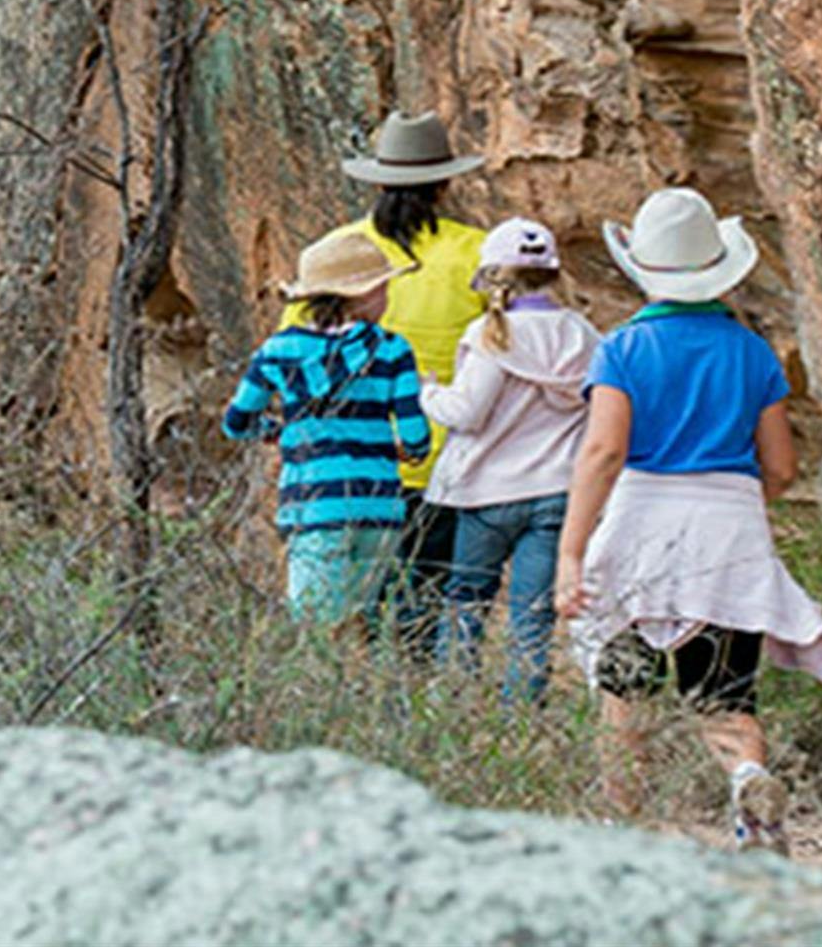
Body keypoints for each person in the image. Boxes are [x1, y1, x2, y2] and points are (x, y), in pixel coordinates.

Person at [554, 188, 822, 853]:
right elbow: (783, 467)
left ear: (641, 268)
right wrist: (739, 508)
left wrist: (571, 554)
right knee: (727, 695)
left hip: (642, 520)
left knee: (625, 689)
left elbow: (603, 451)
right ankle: (748, 782)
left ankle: (621, 827)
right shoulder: (751, 352)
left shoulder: (623, 350)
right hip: (731, 522)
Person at [293, 111, 486, 656]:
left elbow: (296, 363)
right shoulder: (477, 253)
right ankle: (414, 701)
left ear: (376, 181)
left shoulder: (335, 255)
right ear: (447, 183)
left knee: (354, 607)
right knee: (423, 601)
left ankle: (368, 706)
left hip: (346, 465)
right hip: (446, 461)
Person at [420, 217, 600, 701]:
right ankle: (519, 719)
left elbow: (468, 414)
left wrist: (430, 393)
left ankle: (450, 707)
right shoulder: (581, 334)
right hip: (557, 490)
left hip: (488, 493)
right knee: (533, 611)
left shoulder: (490, 334)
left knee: (466, 600)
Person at [225, 232, 430, 627]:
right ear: (363, 295)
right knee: (360, 625)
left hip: (314, 504)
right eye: (383, 288)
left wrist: (275, 429)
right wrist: (407, 452)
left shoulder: (278, 351)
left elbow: (236, 422)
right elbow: (416, 436)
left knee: (317, 632)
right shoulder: (393, 350)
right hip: (378, 507)